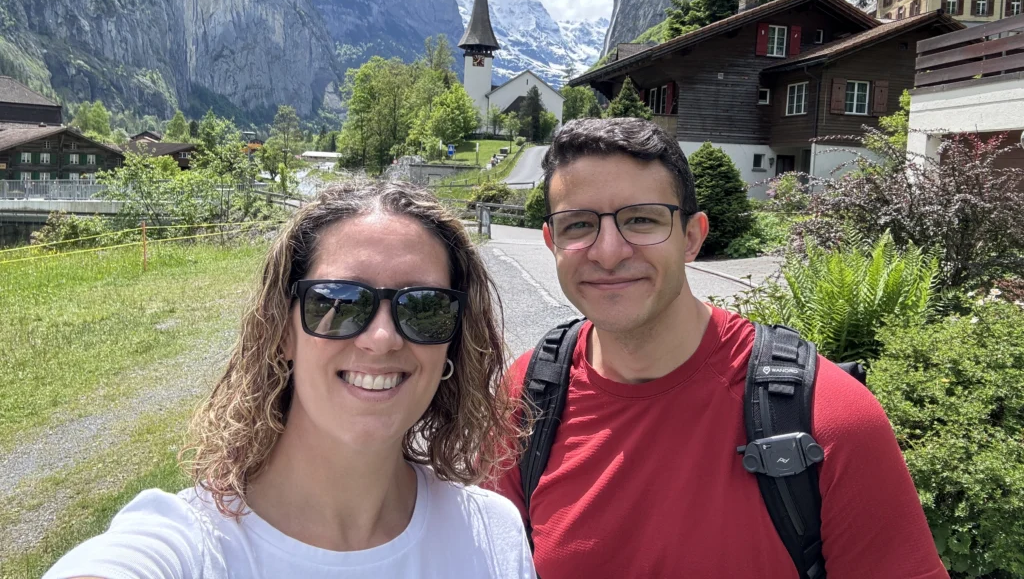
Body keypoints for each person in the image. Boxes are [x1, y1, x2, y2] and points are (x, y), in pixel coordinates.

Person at [491, 117, 948, 578]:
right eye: (579, 225)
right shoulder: (527, 396)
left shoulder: (829, 417)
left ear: (692, 237)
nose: (608, 252)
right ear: (552, 241)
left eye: (641, 220)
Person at [46, 180, 535, 579]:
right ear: (282, 330)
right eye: (339, 302)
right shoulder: (188, 544)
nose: (382, 338)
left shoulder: (493, 536)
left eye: (424, 307)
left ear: (451, 341)